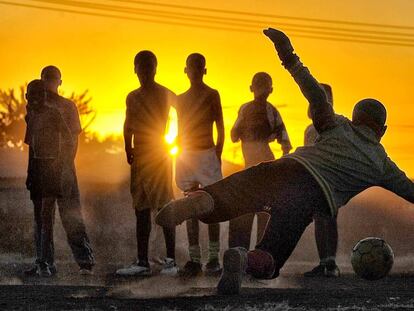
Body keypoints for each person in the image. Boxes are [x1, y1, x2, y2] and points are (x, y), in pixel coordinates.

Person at [155, 28, 414, 295]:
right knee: (270, 260)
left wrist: (287, 54)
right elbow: (411, 191)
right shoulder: (382, 164)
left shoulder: (338, 125)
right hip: (308, 197)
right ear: (382, 131)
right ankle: (244, 260)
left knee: (221, 199)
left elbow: (314, 93)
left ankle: (194, 200)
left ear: (355, 117)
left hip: (280, 169)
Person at [24, 67, 95, 277]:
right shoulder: (35, 108)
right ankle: (44, 261)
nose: (49, 83)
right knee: (42, 217)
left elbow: (72, 139)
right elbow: (33, 143)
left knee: (70, 214)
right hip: (42, 168)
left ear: (59, 82)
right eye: (46, 79)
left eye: (52, 79)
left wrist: (64, 165)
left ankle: (85, 261)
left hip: (63, 168)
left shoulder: (66, 106)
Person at [116, 50, 177, 276]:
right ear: (135, 69)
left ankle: (171, 260)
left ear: (155, 68)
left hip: (159, 153)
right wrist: (127, 146)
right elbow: (127, 123)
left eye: (149, 67)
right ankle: (142, 261)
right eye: (141, 68)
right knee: (141, 208)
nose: (145, 72)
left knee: (165, 207)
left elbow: (188, 110)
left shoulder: (165, 94)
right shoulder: (132, 96)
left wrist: (183, 139)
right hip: (140, 154)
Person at [229, 72, 292, 251]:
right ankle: (242, 253)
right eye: (260, 85)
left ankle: (257, 254)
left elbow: (285, 142)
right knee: (249, 211)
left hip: (264, 168)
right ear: (252, 88)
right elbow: (234, 135)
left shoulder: (269, 111)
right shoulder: (249, 110)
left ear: (271, 90)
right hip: (254, 168)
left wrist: (281, 166)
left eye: (265, 85)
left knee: (261, 211)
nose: (262, 89)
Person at [175, 53, 225, 277]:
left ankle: (213, 257)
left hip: (207, 154)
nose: (194, 72)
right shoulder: (180, 98)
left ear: (204, 70)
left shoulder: (212, 94)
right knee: (191, 206)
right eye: (191, 68)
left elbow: (220, 126)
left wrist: (217, 153)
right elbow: (179, 128)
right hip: (186, 154)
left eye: (198, 68)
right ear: (185, 70)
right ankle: (195, 259)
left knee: (212, 204)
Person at [303, 83, 340, 278]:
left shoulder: (336, 126)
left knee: (331, 218)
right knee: (319, 219)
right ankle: (323, 261)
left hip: (330, 176)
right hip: (314, 178)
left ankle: (331, 261)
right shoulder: (309, 130)